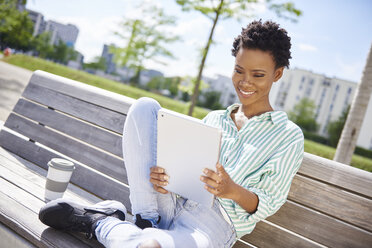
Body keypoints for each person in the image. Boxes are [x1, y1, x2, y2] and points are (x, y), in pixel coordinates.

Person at [39, 20, 304, 248]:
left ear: (277, 74)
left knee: (150, 246)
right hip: (165, 205)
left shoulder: (288, 136)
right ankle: (145, 221)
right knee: (145, 107)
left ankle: (103, 223)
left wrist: (232, 190)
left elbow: (268, 202)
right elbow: (185, 169)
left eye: (258, 75)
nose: (245, 82)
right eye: (238, 70)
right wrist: (164, 177)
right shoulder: (214, 119)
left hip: (213, 225)